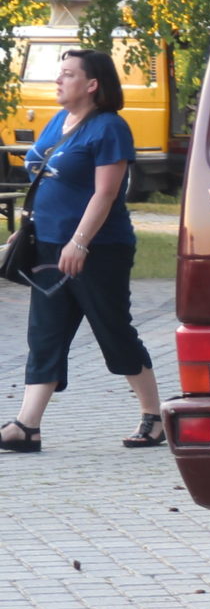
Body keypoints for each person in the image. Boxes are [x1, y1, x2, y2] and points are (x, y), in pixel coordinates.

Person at [3, 48, 160, 453]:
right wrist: (28, 231)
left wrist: (79, 241)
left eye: (68, 74)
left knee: (112, 330)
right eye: (60, 73)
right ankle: (27, 426)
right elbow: (46, 180)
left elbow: (105, 193)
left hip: (98, 249)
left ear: (92, 84)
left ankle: (154, 417)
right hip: (48, 246)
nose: (59, 80)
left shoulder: (110, 128)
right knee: (45, 333)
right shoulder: (59, 120)